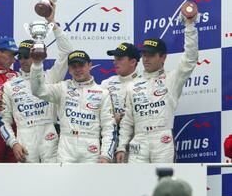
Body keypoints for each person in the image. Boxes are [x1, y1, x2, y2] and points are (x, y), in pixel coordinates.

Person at [116, 12, 198, 163]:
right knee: (137, 184)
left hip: (162, 138)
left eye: (151, 55)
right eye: (144, 54)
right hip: (138, 140)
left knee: (162, 184)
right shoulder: (132, 85)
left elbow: (190, 59)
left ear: (163, 57)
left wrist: (190, 26)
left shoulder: (172, 78)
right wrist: (121, 146)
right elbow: (127, 120)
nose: (146, 59)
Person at [0, 12, 72, 163]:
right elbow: (2, 120)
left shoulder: (51, 76)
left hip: (48, 132)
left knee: (52, 179)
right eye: (21, 57)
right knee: (27, 182)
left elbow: (67, 53)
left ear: (38, 55)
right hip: (24, 136)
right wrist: (13, 143)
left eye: (28, 56)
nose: (24, 60)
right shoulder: (9, 85)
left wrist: (53, 24)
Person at [30, 50, 115, 163]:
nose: (78, 69)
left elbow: (109, 127)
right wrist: (36, 65)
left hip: (91, 147)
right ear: (69, 69)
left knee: (91, 181)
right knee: (63, 180)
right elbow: (37, 91)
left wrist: (106, 155)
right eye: (74, 66)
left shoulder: (102, 92)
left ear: (90, 65)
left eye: (81, 65)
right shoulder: (62, 88)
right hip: (66, 146)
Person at [101, 42, 141, 125]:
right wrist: (112, 119)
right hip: (110, 135)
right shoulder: (106, 84)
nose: (115, 62)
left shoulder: (146, 83)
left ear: (133, 62)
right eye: (115, 59)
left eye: (119, 59)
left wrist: (127, 118)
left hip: (138, 135)